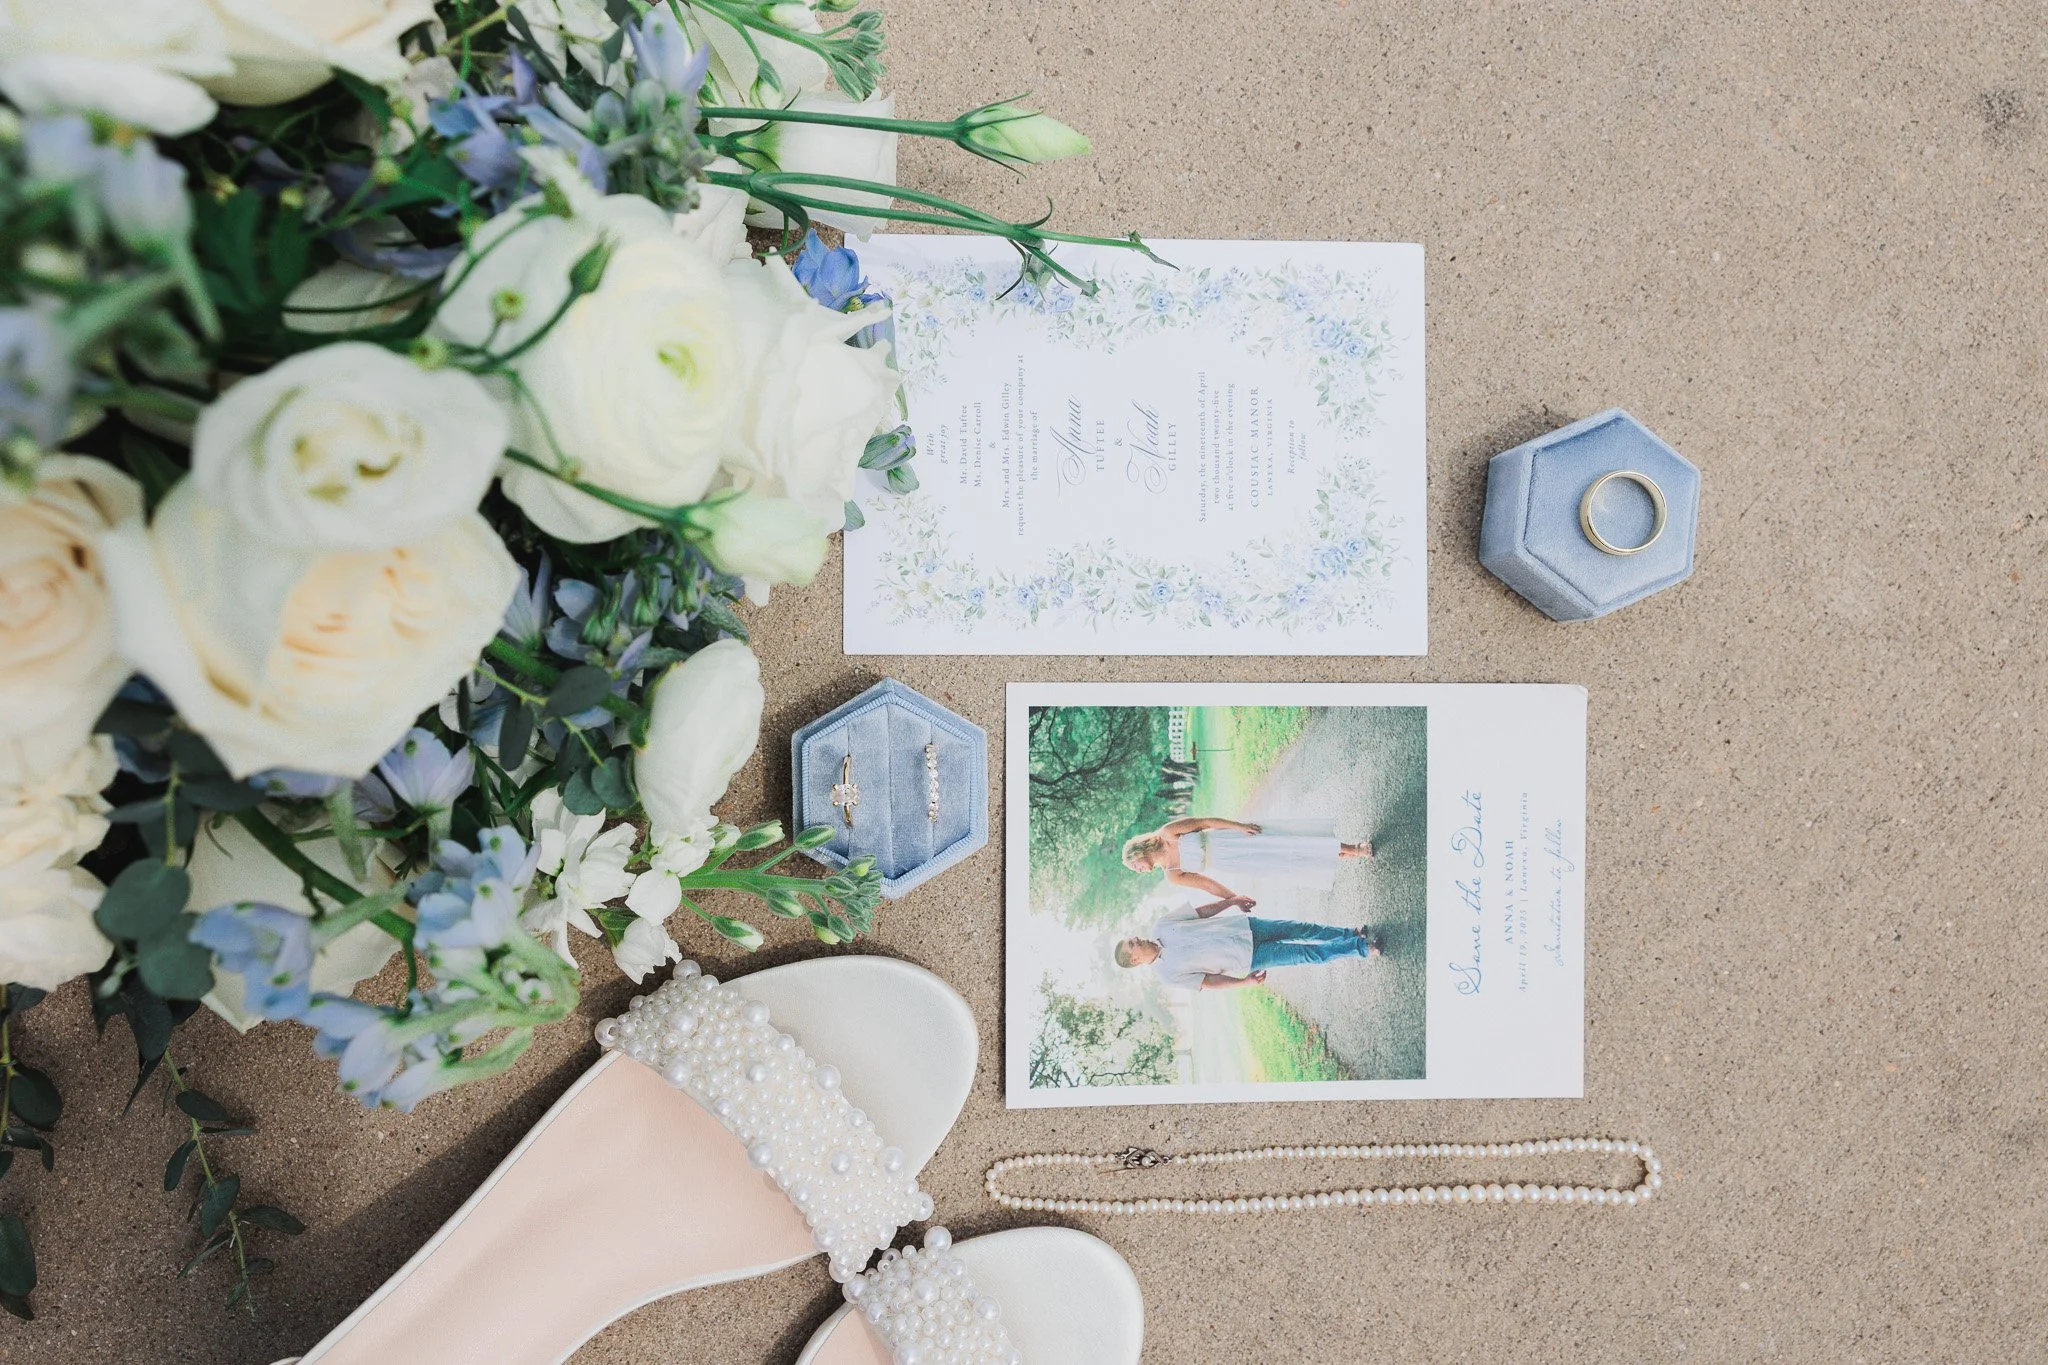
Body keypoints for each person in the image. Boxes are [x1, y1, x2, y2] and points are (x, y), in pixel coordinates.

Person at [1113, 895, 1380, 991]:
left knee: (1304, 929)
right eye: (1132, 944)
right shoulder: (1169, 975)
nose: (1136, 938)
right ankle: (1360, 948)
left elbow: (1201, 912)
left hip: (1246, 926)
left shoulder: (1162, 925)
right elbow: (1208, 981)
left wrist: (1231, 901)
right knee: (1307, 954)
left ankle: (1350, 933)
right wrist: (1244, 982)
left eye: (1132, 938)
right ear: (1135, 960)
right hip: (1248, 957)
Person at [1122, 816, 1372, 902]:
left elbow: (1205, 822)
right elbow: (1207, 884)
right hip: (1236, 862)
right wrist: (1233, 898)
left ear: (1138, 852)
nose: (1139, 870)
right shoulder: (1173, 874)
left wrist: (1240, 826)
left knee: (1288, 842)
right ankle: (1338, 853)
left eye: (1134, 865)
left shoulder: (1168, 833)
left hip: (1231, 839)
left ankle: (1353, 848)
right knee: (1288, 861)